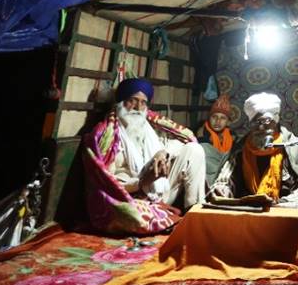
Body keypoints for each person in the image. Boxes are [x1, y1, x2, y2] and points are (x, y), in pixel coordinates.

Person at [82, 77, 206, 235]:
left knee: (194, 150)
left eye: (143, 102)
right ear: (120, 102)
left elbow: (178, 144)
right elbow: (105, 185)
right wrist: (141, 183)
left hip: (160, 191)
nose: (137, 107)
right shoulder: (107, 136)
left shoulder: (148, 127)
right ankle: (155, 219)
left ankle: (194, 213)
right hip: (131, 199)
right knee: (131, 215)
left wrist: (163, 153)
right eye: (132, 100)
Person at [233, 93, 298, 205]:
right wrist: (222, 188)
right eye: (256, 122)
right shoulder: (241, 148)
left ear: (276, 121)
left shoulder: (296, 147)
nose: (261, 127)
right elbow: (226, 180)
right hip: (247, 210)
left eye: (266, 121)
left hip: (286, 209)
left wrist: (281, 203)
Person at [197, 93, 237, 191]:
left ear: (228, 122)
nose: (218, 121)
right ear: (209, 118)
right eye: (214, 117)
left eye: (222, 118)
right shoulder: (201, 133)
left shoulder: (232, 135)